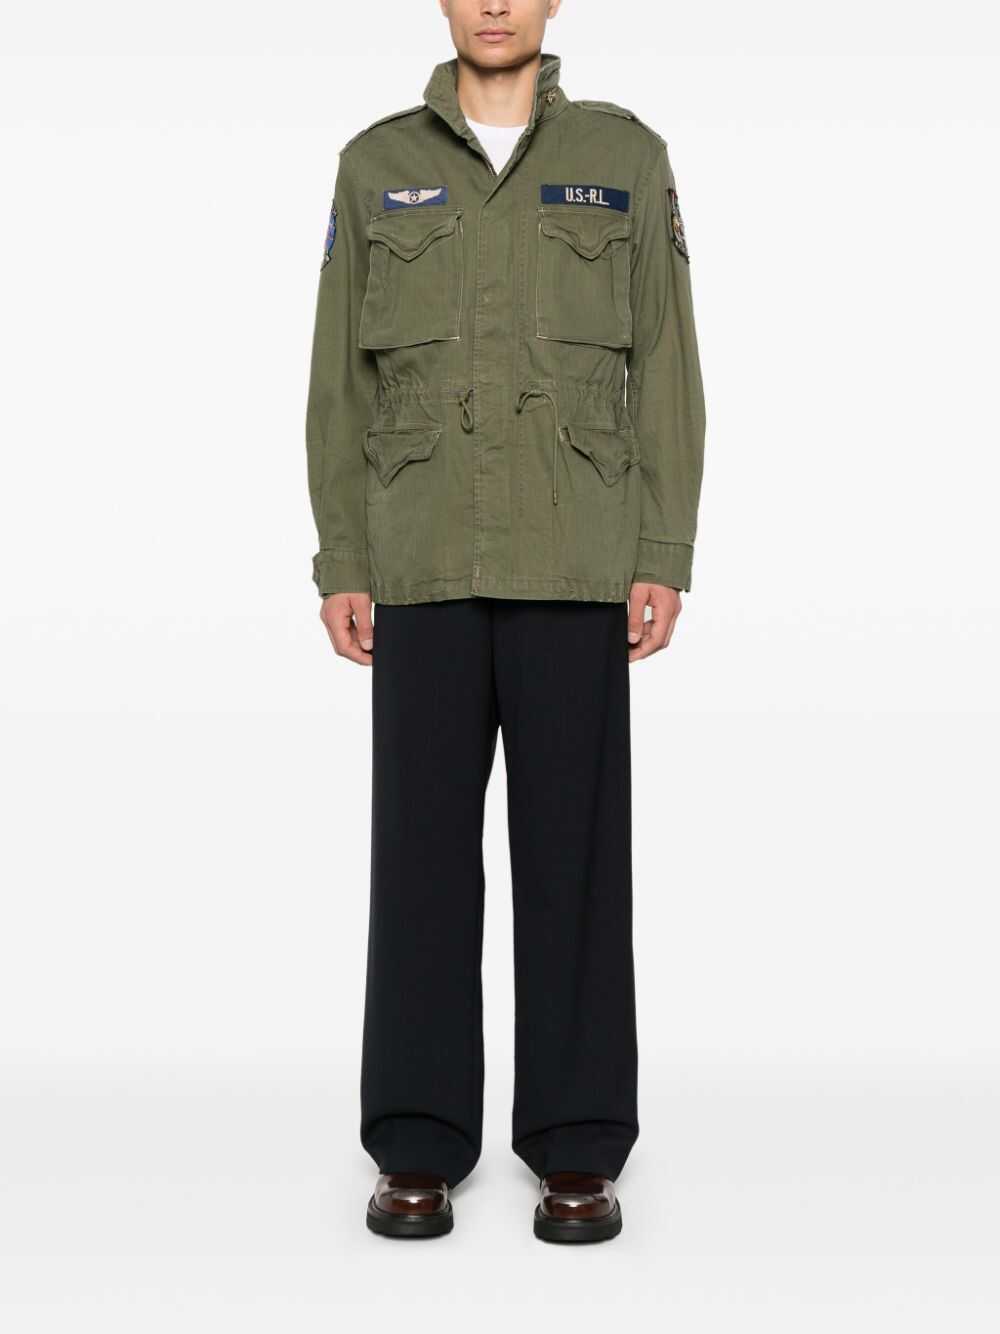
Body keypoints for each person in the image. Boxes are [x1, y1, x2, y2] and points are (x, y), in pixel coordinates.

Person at [305, 0, 705, 1244]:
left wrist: (661, 548)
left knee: (575, 864)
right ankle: (416, 1141)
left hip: (576, 559)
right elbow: (335, 378)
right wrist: (342, 554)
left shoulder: (625, 158)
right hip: (420, 558)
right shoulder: (374, 163)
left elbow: (666, 363)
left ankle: (577, 1142)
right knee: (419, 863)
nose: (493, 3)